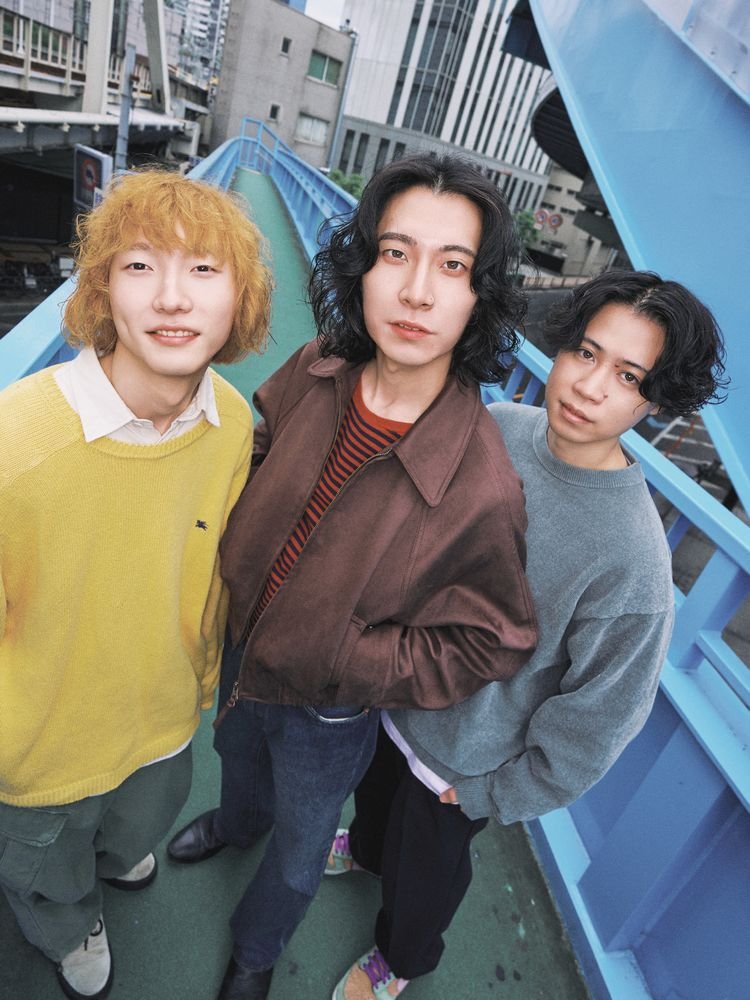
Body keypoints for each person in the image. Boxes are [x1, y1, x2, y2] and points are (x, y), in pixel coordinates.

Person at [166, 153, 538, 1000]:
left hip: (330, 706)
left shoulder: (481, 485)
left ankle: (256, 950)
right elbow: (261, 438)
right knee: (234, 753)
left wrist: (352, 660)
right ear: (363, 266)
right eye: (396, 253)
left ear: (479, 297)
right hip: (244, 641)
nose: (417, 292)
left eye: (453, 266)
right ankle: (235, 822)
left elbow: (490, 640)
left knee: (302, 852)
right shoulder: (320, 364)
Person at [329, 269, 728, 1000]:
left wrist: (491, 793)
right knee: (376, 805)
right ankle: (363, 850)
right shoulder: (503, 427)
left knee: (424, 883)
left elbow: (599, 721)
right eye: (586, 352)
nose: (589, 386)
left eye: (629, 376)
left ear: (656, 401)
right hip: (397, 698)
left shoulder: (633, 563)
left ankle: (402, 960)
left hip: (462, 766)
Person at [0, 170, 272, 1000]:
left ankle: (112, 860)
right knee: (49, 871)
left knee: (137, 825)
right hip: (41, 743)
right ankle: (68, 923)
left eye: (204, 269)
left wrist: (200, 681)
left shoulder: (231, 424)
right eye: (140, 266)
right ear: (103, 289)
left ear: (239, 299)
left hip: (162, 715)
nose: (172, 298)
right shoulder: (18, 439)